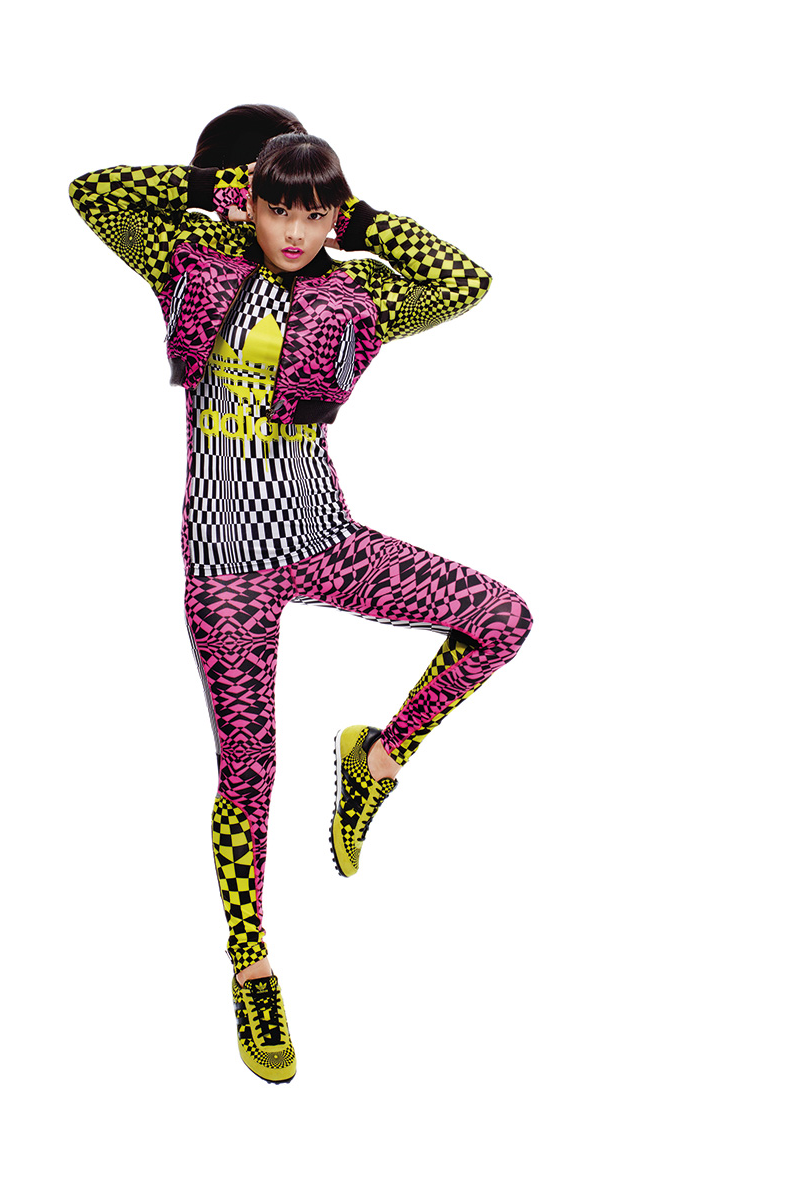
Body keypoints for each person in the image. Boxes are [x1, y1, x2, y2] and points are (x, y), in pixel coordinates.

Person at [69, 104, 532, 1084]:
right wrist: (217, 192)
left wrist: (347, 215)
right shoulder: (184, 266)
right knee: (249, 773)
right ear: (238, 199)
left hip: (325, 543)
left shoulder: (357, 294)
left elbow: (466, 280)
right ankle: (252, 966)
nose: (286, 225)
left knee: (501, 617)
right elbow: (93, 194)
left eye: (302, 206)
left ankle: (377, 757)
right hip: (226, 567)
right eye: (267, 199)